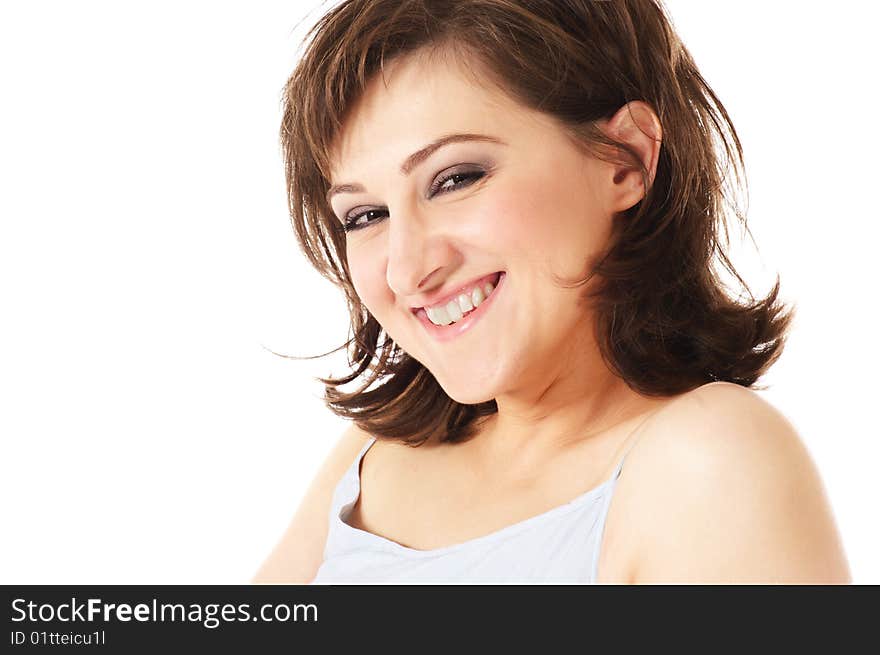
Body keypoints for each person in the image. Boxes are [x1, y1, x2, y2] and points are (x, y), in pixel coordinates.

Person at [253, 0, 850, 584]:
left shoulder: (709, 459)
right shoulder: (372, 455)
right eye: (365, 215)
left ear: (625, 160)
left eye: (456, 179)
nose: (407, 270)